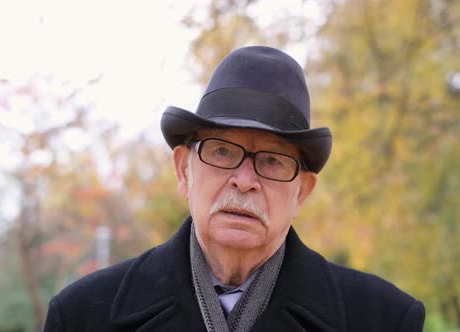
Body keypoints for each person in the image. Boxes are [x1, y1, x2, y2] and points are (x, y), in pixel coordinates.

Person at [44, 46, 425, 332]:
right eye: (223, 151)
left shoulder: (383, 319)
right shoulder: (83, 315)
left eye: (273, 161)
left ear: (302, 192)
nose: (244, 180)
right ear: (183, 170)